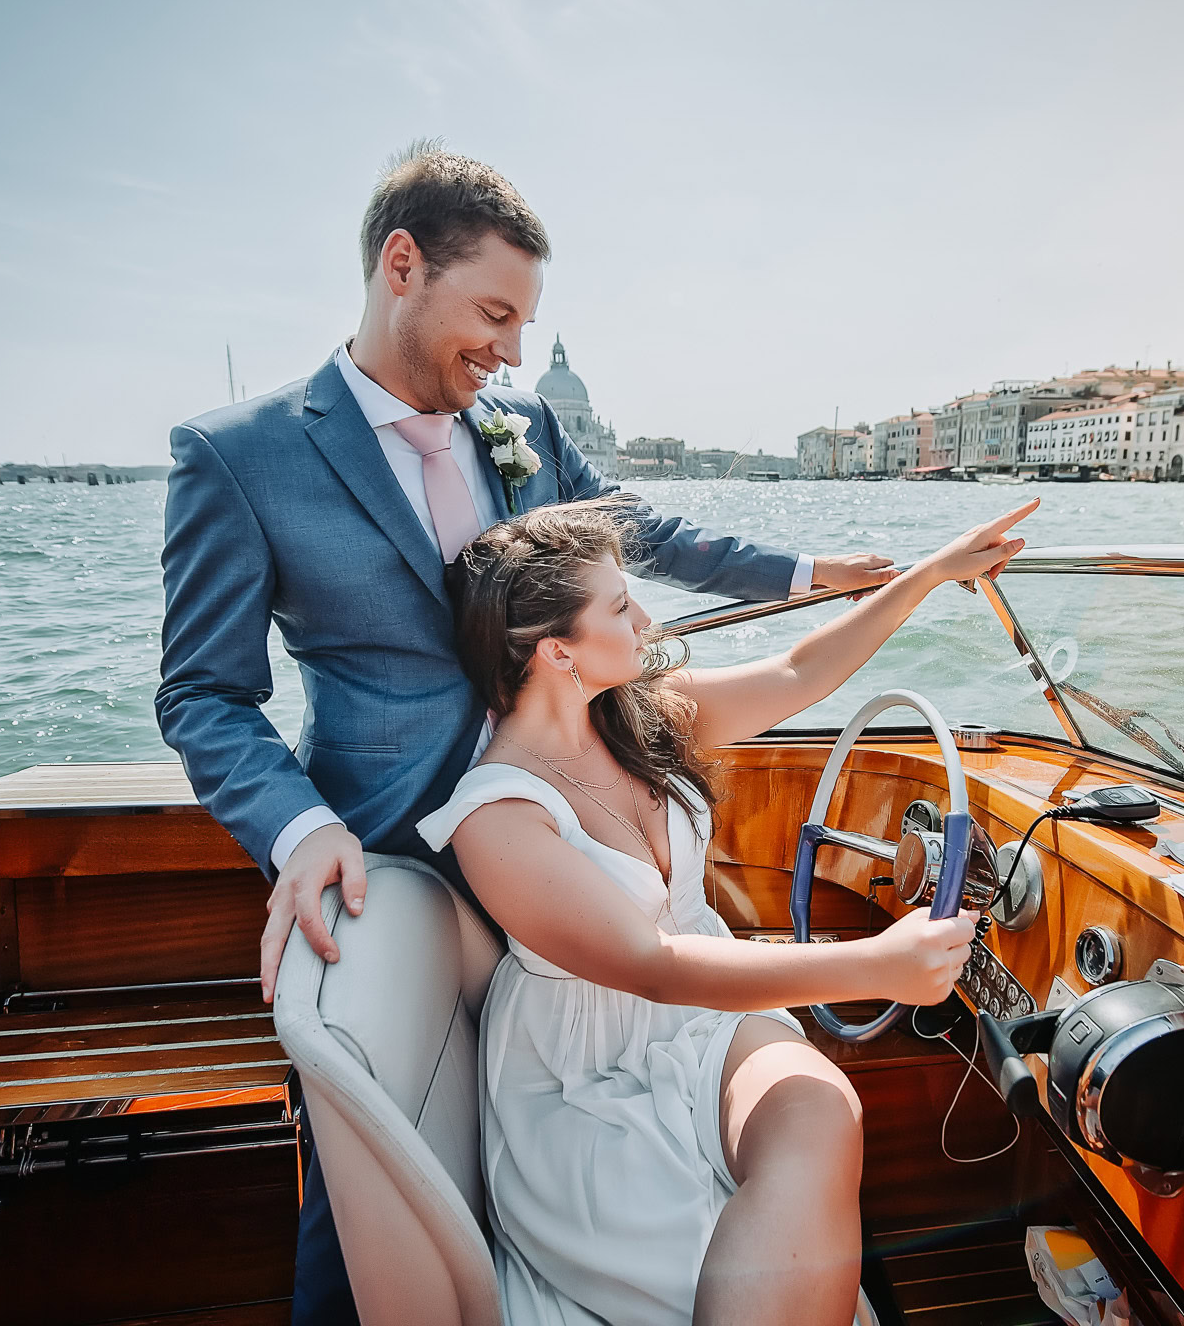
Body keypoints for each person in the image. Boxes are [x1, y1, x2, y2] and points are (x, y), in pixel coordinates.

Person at [155, 141, 893, 1324]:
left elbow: (636, 529)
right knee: (368, 1183)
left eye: (522, 321)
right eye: (493, 313)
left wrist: (811, 571)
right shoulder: (238, 457)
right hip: (397, 856)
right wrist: (299, 832)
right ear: (402, 266)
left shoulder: (522, 422)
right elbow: (201, 693)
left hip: (570, 837)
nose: (507, 349)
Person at [416, 495, 1037, 1326]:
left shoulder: (641, 718)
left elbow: (797, 673)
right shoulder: (497, 816)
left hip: (703, 1015)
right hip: (588, 1061)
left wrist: (927, 573)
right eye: (620, 604)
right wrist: (878, 963)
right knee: (692, 1267)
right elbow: (652, 965)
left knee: (821, 1110)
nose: (647, 616)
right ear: (555, 649)